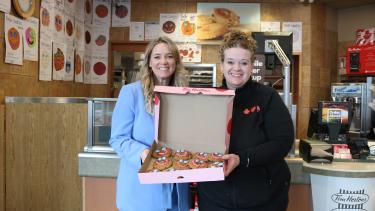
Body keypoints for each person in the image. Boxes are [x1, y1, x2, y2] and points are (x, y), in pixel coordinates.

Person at [197, 31, 294, 211]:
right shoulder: (207, 99)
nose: (237, 68)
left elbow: (283, 142)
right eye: (231, 62)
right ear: (222, 65)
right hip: (214, 199)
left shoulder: (267, 97)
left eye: (244, 62)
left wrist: (242, 159)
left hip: (263, 200)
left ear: (251, 65)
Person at [109, 36, 190, 211]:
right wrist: (142, 153)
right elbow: (118, 138)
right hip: (141, 194)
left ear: (176, 61)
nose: (164, 61)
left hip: (176, 191)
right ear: (149, 63)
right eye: (157, 56)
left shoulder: (184, 95)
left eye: (169, 56)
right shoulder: (131, 93)